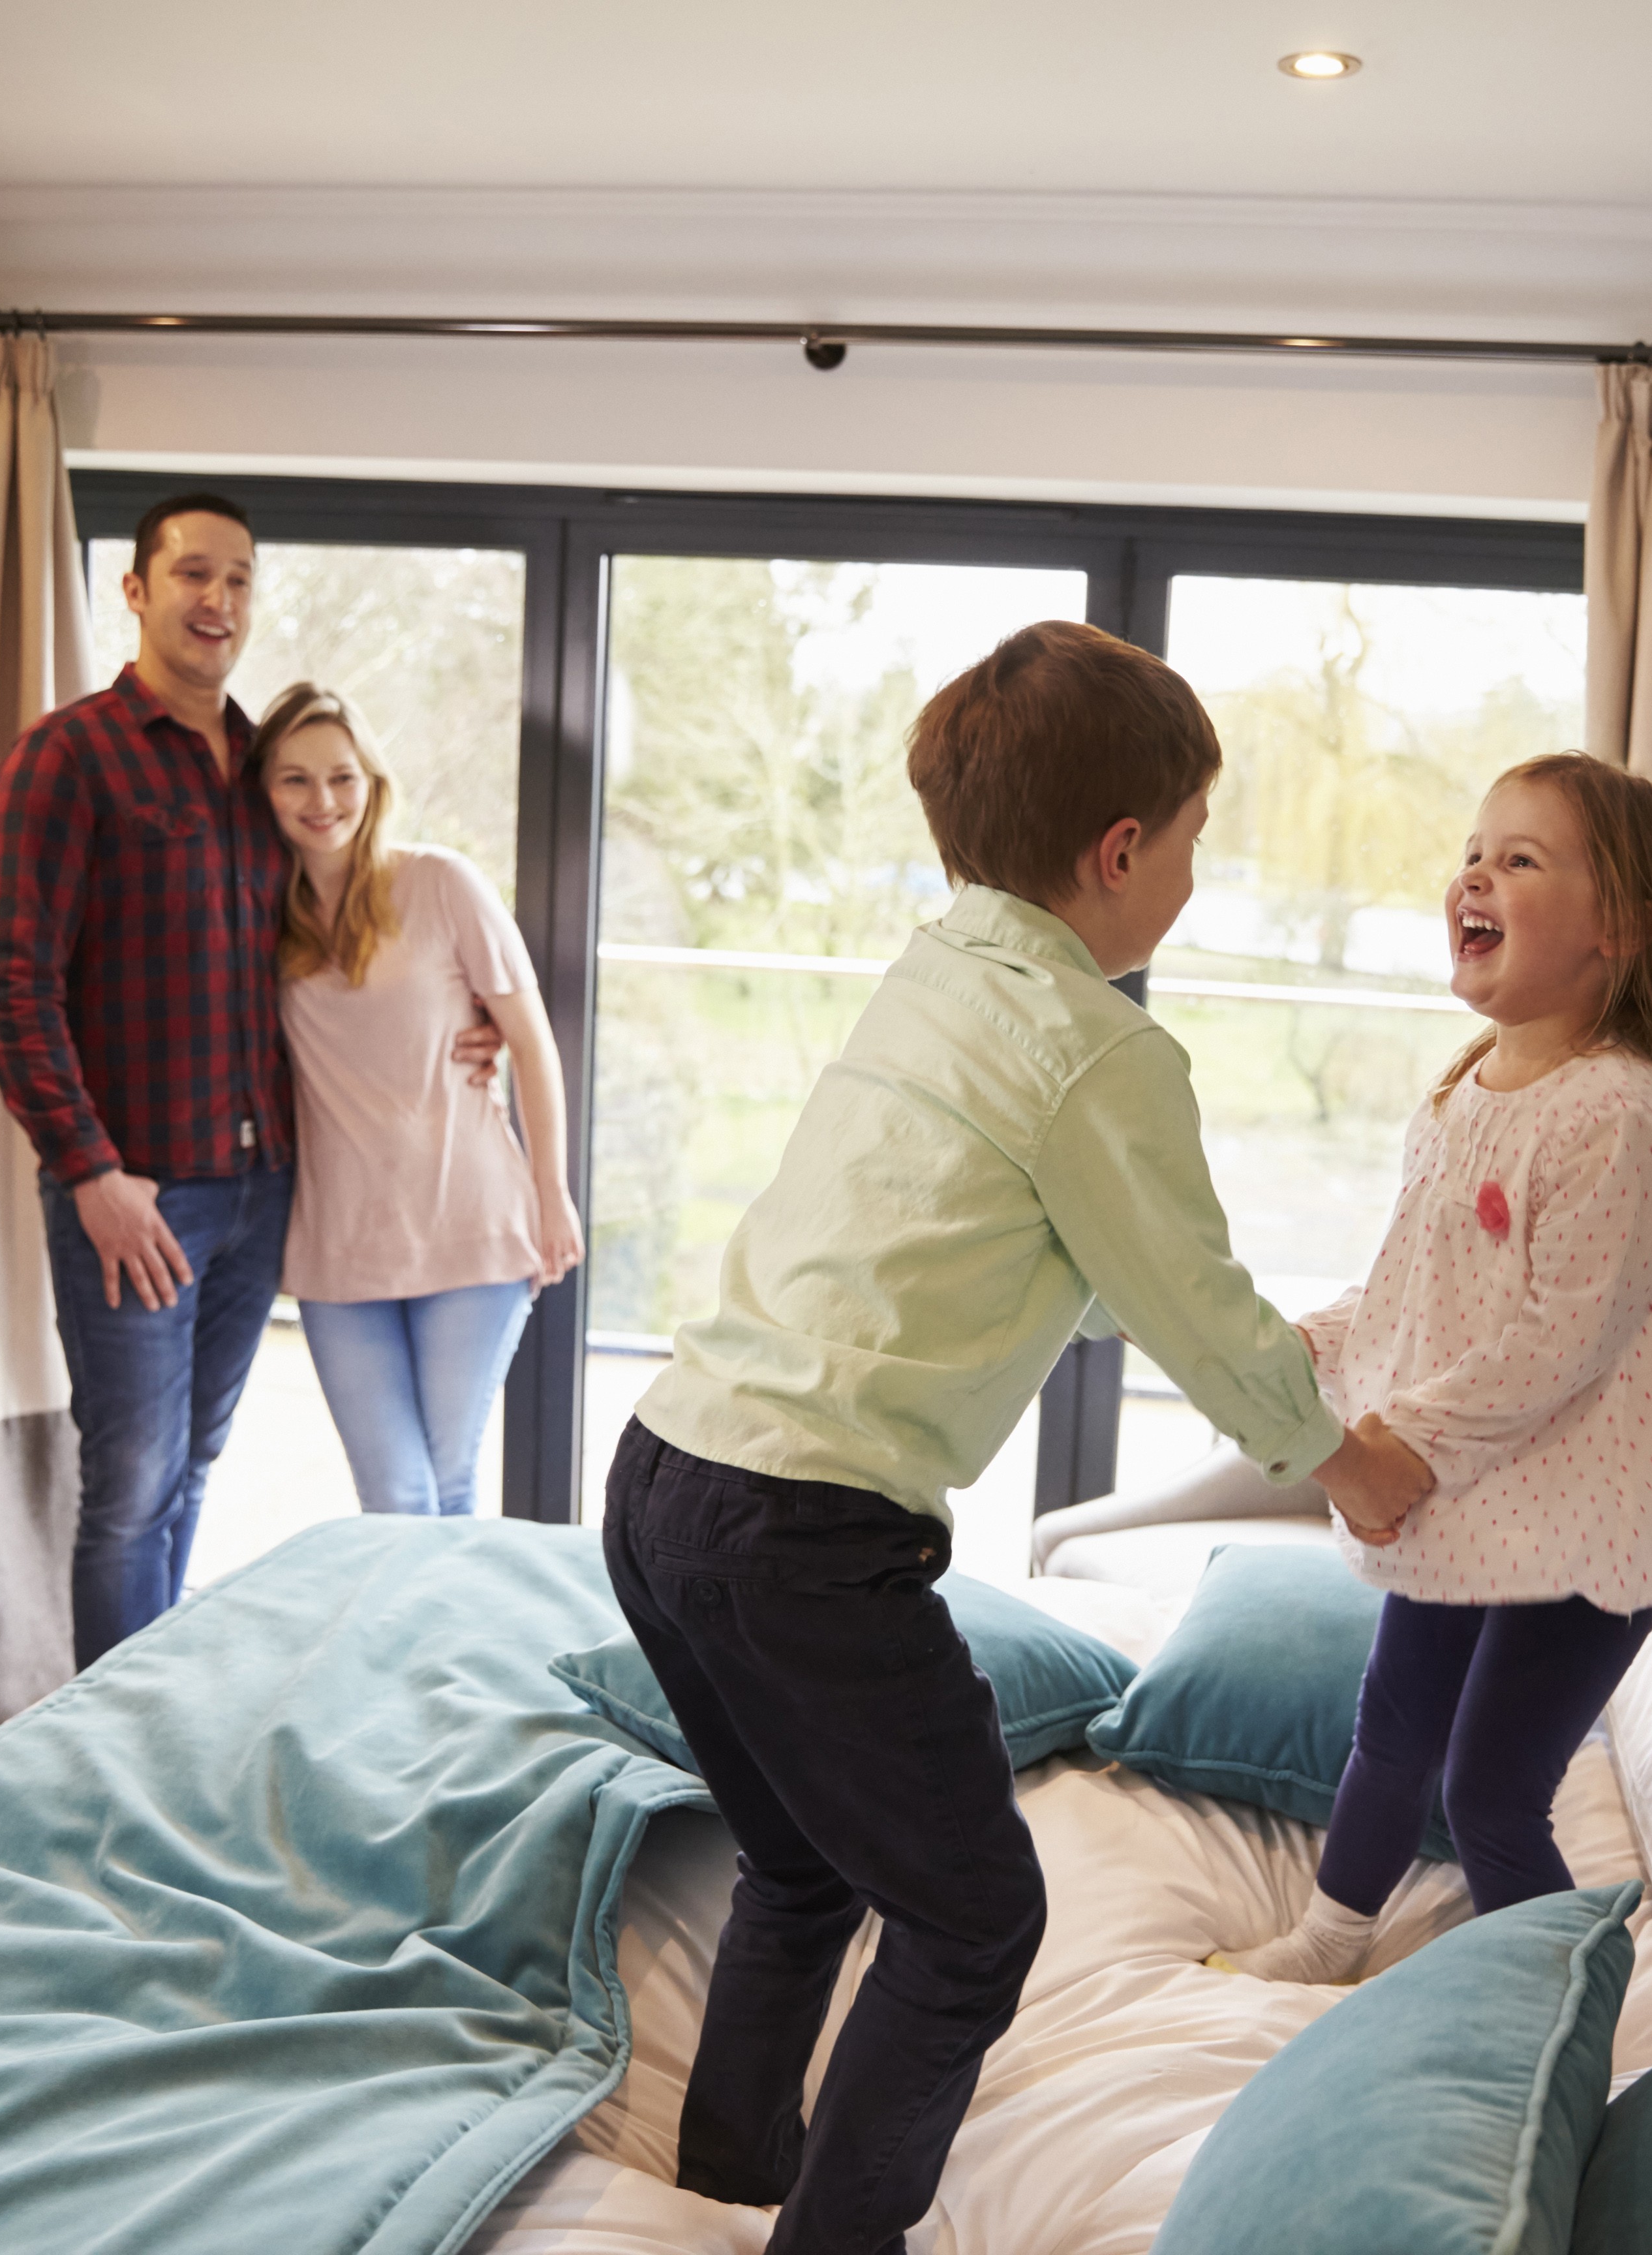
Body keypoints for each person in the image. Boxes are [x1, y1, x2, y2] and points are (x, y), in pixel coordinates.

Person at [602, 620, 1433, 2255]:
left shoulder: (937, 976)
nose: (1197, 874)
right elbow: (1189, 1307)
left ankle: (726, 2182)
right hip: (800, 1535)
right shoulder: (1098, 1048)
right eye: (1193, 842)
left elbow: (1081, 1258)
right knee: (977, 1914)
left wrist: (1294, 1343)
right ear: (1118, 852)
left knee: (797, 1865)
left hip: (659, 1477)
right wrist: (1350, 1460)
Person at [1218, 752, 1652, 1984]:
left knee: (1490, 1787)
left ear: (1616, 927)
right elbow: (1415, 1291)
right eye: (1472, 851)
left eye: (1519, 859)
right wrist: (1314, 1347)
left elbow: (1555, 1343)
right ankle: (1330, 1936)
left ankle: (1563, 2006)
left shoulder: (1617, 1114)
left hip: (1596, 1522)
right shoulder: (1460, 1093)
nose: (1473, 872)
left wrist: (1404, 1446)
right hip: (1486, 1496)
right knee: (1391, 1728)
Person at [0, 491, 498, 1668]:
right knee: (129, 1481)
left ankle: (160, 1710)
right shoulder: (66, 758)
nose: (217, 601)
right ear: (136, 590)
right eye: (193, 576)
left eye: (239, 581)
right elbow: (16, 989)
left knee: (195, 1465)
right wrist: (92, 1173)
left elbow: (352, 921)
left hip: (265, 1188)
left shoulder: (262, 767)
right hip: (138, 1197)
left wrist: (484, 1022)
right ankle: (104, 1747)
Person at [253, 682, 582, 1516]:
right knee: (393, 1492)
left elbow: (534, 1044)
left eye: (342, 776)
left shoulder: (440, 884)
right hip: (340, 1244)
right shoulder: (258, 914)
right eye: (294, 779)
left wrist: (553, 1195)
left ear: (373, 783)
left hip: (469, 1225)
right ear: (263, 790)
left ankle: (445, 1653)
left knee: (448, 1479)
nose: (323, 801)